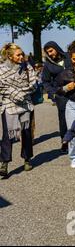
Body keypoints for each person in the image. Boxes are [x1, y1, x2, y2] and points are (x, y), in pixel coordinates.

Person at [0, 43, 37, 177]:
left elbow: (34, 84)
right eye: (18, 55)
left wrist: (21, 93)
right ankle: (4, 162)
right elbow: (1, 87)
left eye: (22, 54)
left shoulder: (27, 67)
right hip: (8, 104)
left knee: (26, 132)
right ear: (10, 56)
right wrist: (15, 94)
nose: (22, 56)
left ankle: (27, 159)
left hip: (25, 103)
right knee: (8, 134)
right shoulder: (1, 69)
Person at [42, 41, 71, 154]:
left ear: (56, 48)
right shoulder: (48, 65)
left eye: (51, 50)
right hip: (61, 94)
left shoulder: (68, 57)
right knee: (63, 119)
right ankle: (65, 141)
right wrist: (53, 93)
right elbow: (45, 81)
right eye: (47, 52)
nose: (50, 53)